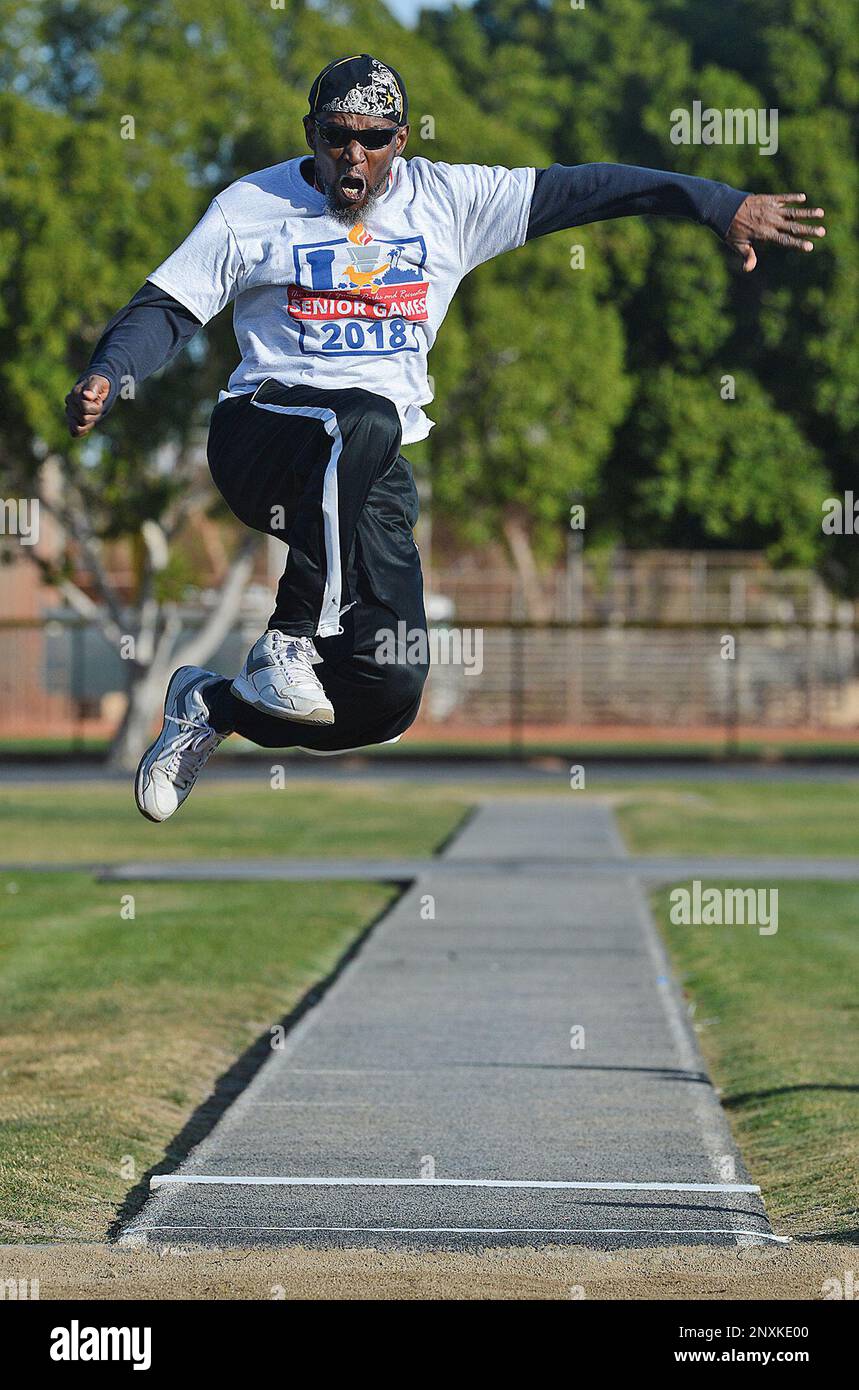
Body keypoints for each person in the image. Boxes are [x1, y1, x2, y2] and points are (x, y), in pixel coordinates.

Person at [65, 53, 825, 822]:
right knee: (358, 416)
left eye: (372, 139)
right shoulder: (252, 204)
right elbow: (168, 304)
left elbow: (588, 186)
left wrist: (714, 202)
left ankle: (213, 707)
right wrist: (108, 371)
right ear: (312, 133)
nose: (351, 157)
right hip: (263, 435)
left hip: (371, 471)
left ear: (401, 140)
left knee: (385, 697)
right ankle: (287, 639)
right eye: (335, 138)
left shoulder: (451, 200)